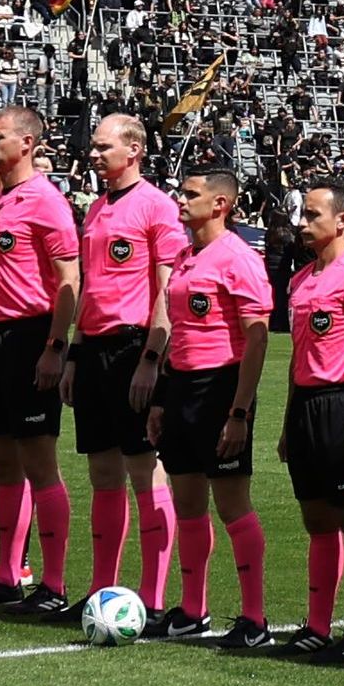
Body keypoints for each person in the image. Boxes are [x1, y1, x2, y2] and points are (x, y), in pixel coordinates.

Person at [0, 110, 85, 619]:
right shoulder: (2, 199)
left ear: (28, 142)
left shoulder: (46, 201)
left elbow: (69, 281)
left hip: (32, 335)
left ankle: (53, 584)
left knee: (39, 461)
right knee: (2, 460)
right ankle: (8, 574)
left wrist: (55, 346)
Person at [146, 172, 274, 646]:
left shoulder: (239, 258)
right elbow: (178, 331)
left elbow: (256, 341)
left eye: (191, 194)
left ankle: (255, 620)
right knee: (188, 503)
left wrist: (239, 412)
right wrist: (161, 398)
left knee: (232, 504)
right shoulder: (184, 257)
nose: (182, 199)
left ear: (220, 204)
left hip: (222, 389)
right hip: (181, 388)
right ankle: (192, 610)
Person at [270, 183, 344, 664]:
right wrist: (286, 424)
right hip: (306, 409)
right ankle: (317, 626)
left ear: (341, 221)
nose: (302, 223)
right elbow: (299, 357)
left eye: (312, 215)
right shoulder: (300, 280)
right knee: (316, 518)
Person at [73, 112, 187, 607]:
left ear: (133, 150)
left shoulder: (157, 208)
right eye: (93, 148)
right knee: (102, 473)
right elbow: (90, 288)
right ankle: (103, 590)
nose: (94, 154)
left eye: (103, 147)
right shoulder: (96, 208)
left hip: (133, 347)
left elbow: (166, 287)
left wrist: (151, 357)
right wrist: (75, 352)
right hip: (94, 349)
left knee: (144, 469)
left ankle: (152, 597)